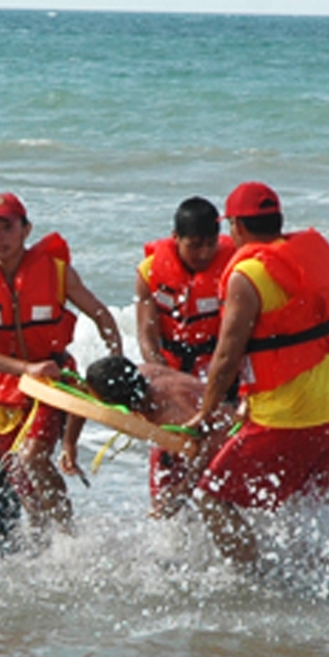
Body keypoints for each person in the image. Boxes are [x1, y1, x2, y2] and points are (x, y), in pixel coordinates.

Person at [184, 182, 329, 565]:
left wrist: (206, 410)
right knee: (305, 500)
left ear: (237, 228)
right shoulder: (308, 258)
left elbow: (227, 356)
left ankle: (256, 583)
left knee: (212, 496)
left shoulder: (248, 274)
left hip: (288, 418)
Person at [0, 191, 123, 531]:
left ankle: (67, 538)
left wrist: (115, 359)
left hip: (52, 379)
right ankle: (41, 543)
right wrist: (24, 369)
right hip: (5, 385)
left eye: (8, 227)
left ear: (26, 230)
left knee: (32, 457)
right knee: (20, 478)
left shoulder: (57, 272)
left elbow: (101, 314)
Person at [134, 196, 237, 505]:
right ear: (175, 238)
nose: (204, 253)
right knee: (165, 470)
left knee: (217, 466)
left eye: (210, 244)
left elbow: (238, 340)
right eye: (194, 244)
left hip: (221, 374)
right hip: (171, 371)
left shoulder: (235, 271)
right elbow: (146, 333)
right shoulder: (149, 272)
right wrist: (163, 378)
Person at [76, 355, 236, 517]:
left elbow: (214, 442)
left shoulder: (173, 413)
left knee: (206, 498)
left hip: (224, 440)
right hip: (181, 439)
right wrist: (69, 445)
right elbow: (80, 398)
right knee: (162, 504)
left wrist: (183, 489)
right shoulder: (141, 373)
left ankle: (238, 541)